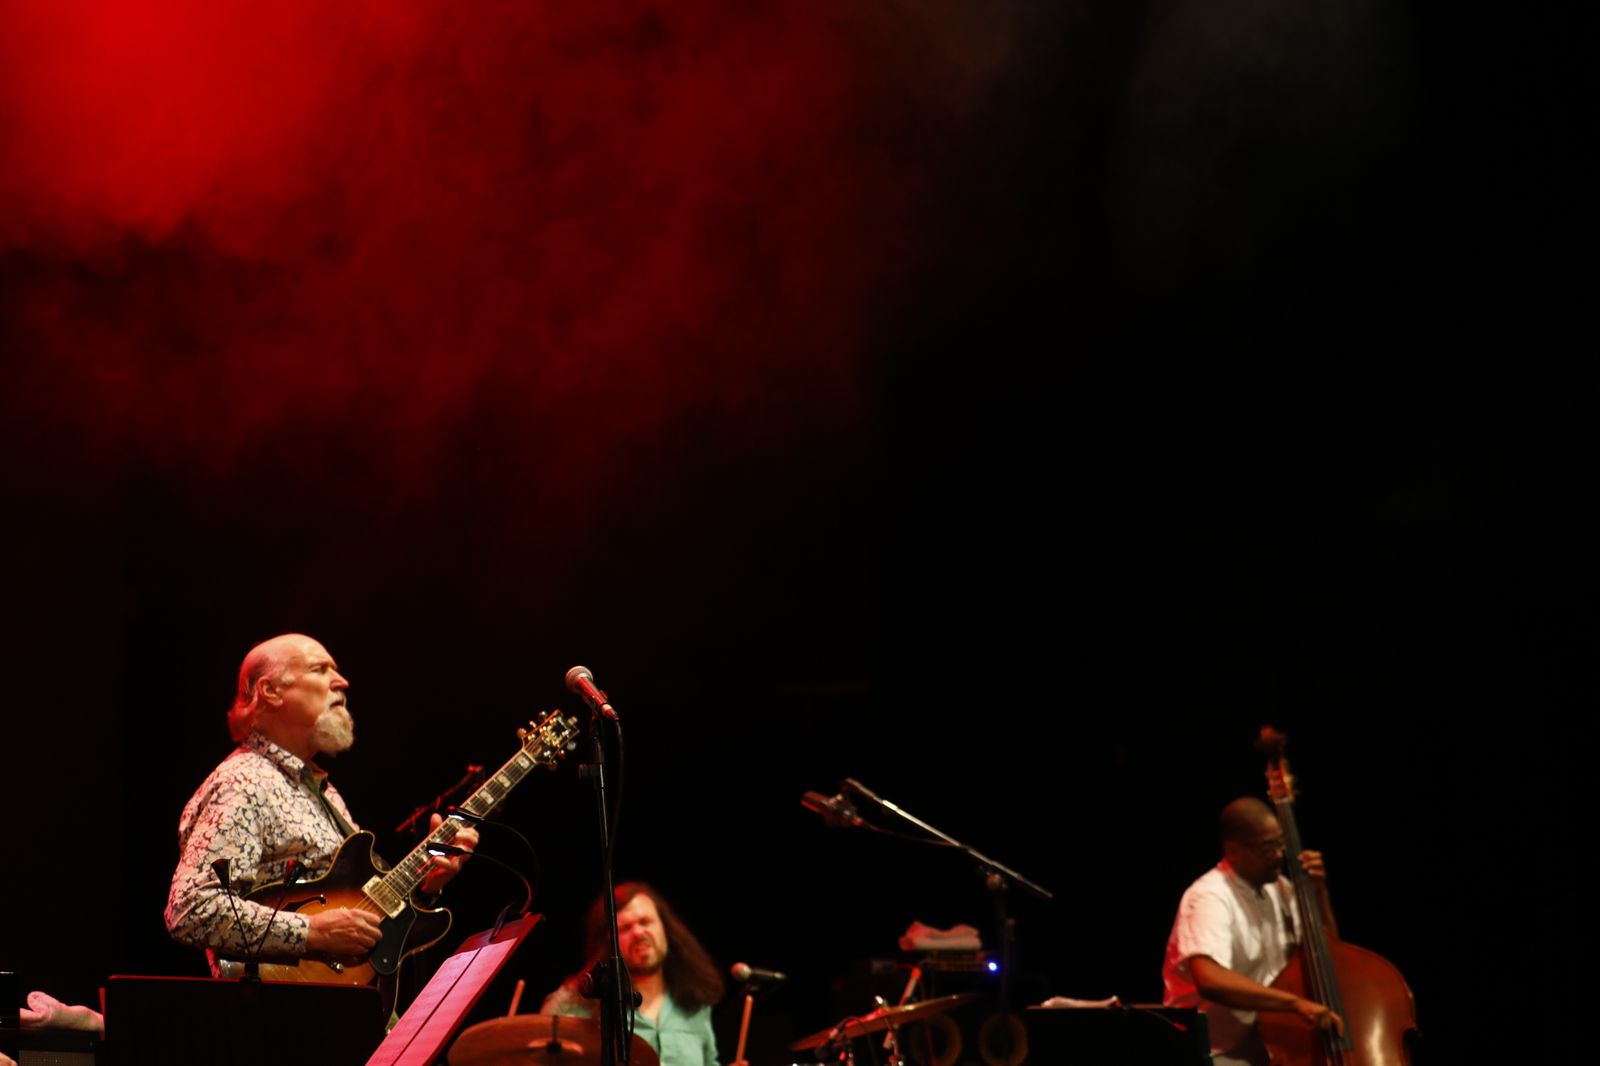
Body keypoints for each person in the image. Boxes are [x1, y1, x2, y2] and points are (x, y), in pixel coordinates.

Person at [164, 633, 476, 976]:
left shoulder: (323, 791)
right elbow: (191, 910)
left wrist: (426, 880)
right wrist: (312, 934)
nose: (341, 681)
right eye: (319, 669)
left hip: (341, 1008)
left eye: (336, 670)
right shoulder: (242, 783)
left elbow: (359, 909)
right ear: (271, 691)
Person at [1162, 797, 1344, 1066]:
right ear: (1233, 850)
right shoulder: (1210, 897)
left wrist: (1319, 892)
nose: (1280, 854)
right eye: (1268, 847)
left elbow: (1331, 954)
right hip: (1217, 1053)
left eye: (1280, 843)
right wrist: (1295, 1004)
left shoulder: (1281, 888)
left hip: (1270, 1046)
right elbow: (1210, 979)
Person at [542, 882, 725, 1066]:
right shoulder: (571, 1005)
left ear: (665, 928)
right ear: (608, 942)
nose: (638, 932)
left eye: (645, 922)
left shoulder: (694, 1002)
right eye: (625, 928)